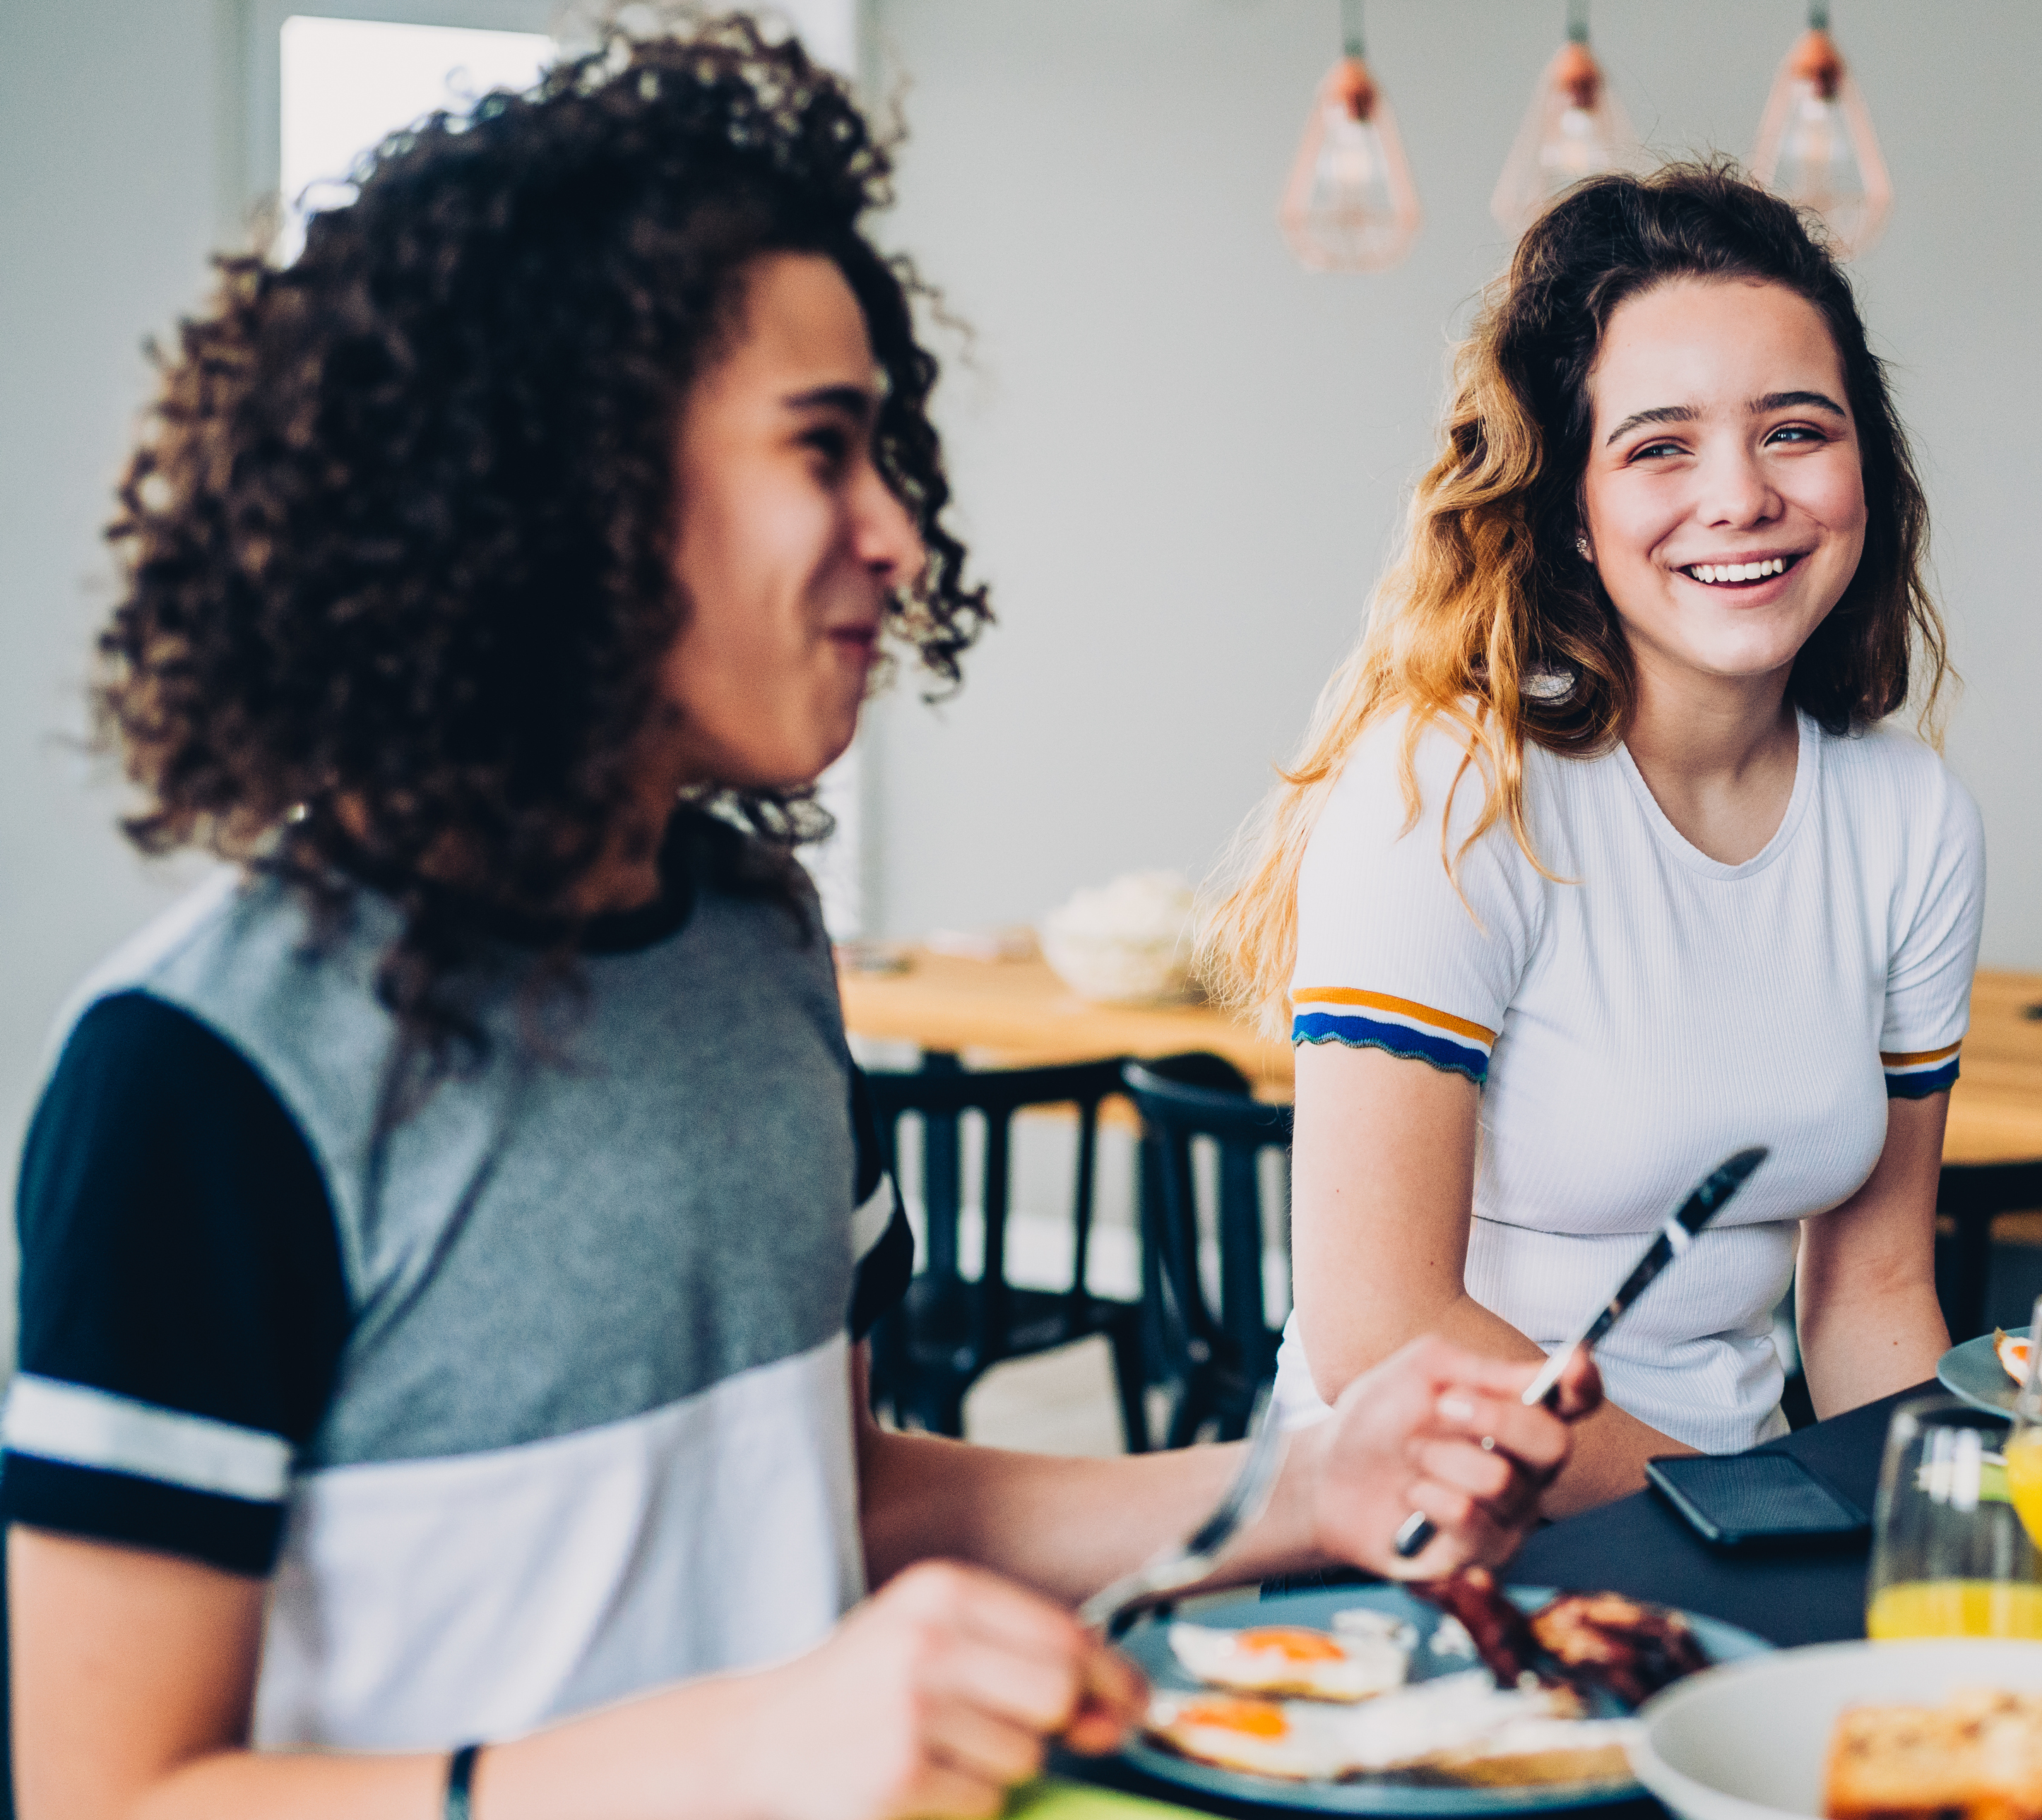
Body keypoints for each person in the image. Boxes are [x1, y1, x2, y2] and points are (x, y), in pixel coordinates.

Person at [4, 22, 1594, 1820]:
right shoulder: (203, 1072)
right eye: (823, 450)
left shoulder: (753, 944)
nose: (898, 532)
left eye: (885, 452)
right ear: (563, 480)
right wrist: (744, 1753)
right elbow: (108, 1792)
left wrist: (1300, 1482)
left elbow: (828, 1499)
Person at [1201, 164, 1981, 1512]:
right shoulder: (1450, 790)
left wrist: (1927, 1539)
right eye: (1660, 444)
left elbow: (1874, 1290)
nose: (1739, 496)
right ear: (1571, 503)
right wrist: (1743, 1521)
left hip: (1732, 1520)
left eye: (1795, 429)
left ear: (1868, 461)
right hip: (1425, 1525)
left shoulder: (1910, 819)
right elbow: (1380, 1322)